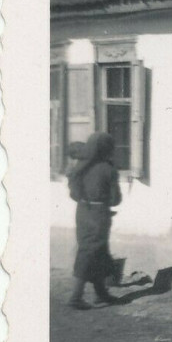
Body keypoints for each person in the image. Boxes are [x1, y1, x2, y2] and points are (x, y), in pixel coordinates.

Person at [66, 132, 123, 310]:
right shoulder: (108, 169)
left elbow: (74, 194)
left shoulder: (79, 168)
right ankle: (76, 297)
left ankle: (101, 294)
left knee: (98, 251)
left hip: (82, 212)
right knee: (90, 251)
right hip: (99, 214)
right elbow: (115, 200)